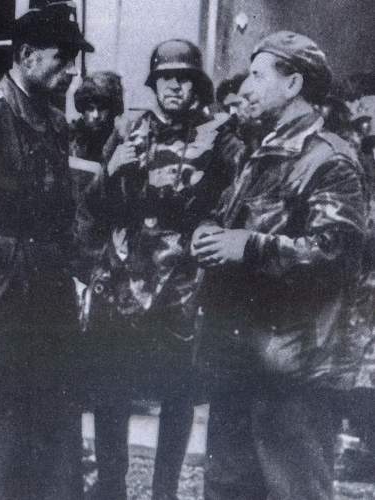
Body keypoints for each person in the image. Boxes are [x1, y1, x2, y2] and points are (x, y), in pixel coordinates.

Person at [191, 31, 367, 500]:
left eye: (256, 75)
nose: (245, 88)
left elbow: (335, 254)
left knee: (294, 490)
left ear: (293, 85)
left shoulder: (330, 161)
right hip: (239, 357)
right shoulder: (258, 153)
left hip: (293, 369)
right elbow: (232, 219)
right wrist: (208, 232)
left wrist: (249, 247)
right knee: (228, 487)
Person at [80, 39, 245, 500]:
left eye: (185, 77)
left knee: (177, 395)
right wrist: (110, 169)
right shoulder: (129, 128)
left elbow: (239, 202)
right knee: (112, 391)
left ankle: (164, 491)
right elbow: (93, 208)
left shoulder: (220, 137)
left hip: (182, 287)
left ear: (197, 85)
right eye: (167, 77)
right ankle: (110, 486)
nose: (175, 85)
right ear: (154, 83)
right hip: (122, 282)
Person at [0, 6, 94, 500]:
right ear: (27, 56)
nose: (72, 70)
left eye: (74, 59)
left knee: (48, 439)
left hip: (46, 304)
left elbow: (60, 212)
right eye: (63, 58)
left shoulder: (53, 122)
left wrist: (76, 275)